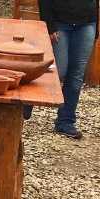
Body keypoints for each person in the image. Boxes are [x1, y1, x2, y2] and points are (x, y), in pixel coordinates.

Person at [40, 0, 98, 139]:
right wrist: (49, 24)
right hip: (60, 22)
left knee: (76, 74)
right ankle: (29, 98)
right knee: (59, 70)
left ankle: (65, 122)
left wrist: (97, 27)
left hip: (87, 23)